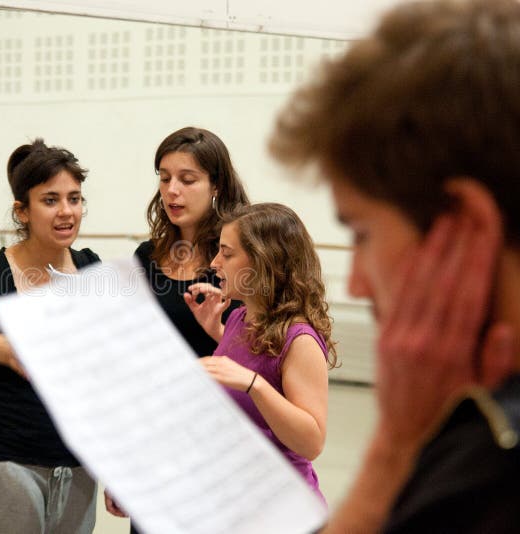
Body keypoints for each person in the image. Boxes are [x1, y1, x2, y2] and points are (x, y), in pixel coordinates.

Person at [268, 0, 520, 531]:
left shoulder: (485, 477)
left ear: (467, 227)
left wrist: (395, 447)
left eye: (360, 232)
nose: (357, 282)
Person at [0, 139, 100, 534]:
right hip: (6, 459)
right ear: (23, 211)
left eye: (74, 198)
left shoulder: (91, 269)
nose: (66, 211)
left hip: (77, 463)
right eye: (50, 200)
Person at [103, 126, 249, 528]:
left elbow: (267, 352)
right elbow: (133, 364)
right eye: (164, 178)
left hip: (222, 439)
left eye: (187, 180)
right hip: (158, 438)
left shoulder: (241, 256)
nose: (172, 191)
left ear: (216, 185)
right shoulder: (147, 256)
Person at [192, 203, 336, 504]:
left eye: (227, 253)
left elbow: (312, 441)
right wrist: (216, 331)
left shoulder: (300, 340)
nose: (215, 263)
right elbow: (260, 360)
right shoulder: (239, 317)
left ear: (263, 261)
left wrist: (254, 384)